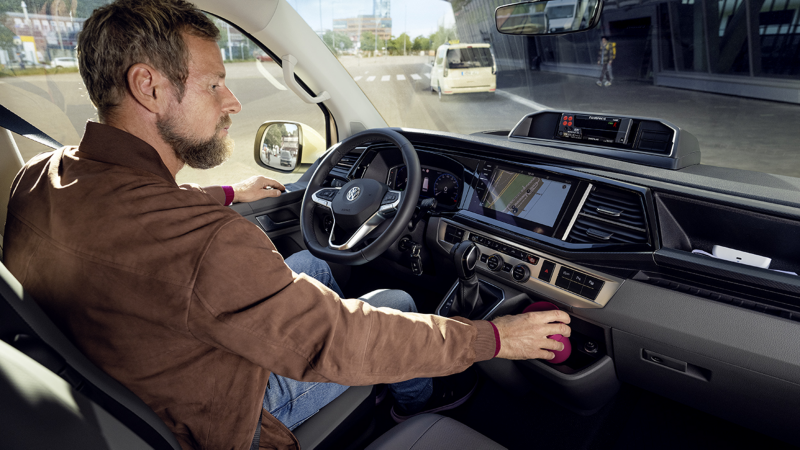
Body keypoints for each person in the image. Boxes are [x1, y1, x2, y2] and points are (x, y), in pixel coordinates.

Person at [2, 1, 571, 449]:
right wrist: (494, 337)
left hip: (139, 377)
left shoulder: (39, 178)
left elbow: (137, 207)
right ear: (149, 86)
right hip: (229, 416)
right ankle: (416, 406)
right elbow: (340, 340)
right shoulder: (204, 242)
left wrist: (231, 192)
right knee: (394, 300)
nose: (232, 101)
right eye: (213, 84)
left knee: (314, 263)